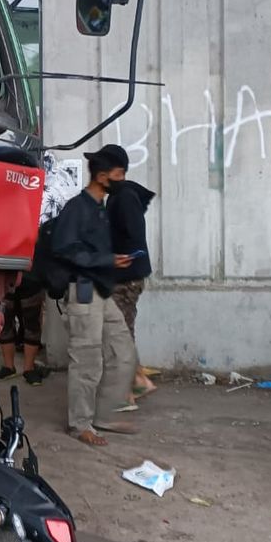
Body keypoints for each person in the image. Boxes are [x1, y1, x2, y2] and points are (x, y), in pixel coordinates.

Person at [50, 144, 138, 446]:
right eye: (119, 174)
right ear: (102, 176)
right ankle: (81, 424)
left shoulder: (101, 208)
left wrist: (116, 259)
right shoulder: (78, 208)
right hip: (84, 292)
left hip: (102, 291)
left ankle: (103, 415)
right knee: (87, 361)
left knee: (123, 352)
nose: (122, 180)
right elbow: (63, 248)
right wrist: (106, 260)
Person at [107, 164, 158, 405]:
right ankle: (137, 381)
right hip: (128, 275)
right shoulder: (122, 196)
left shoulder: (123, 197)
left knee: (119, 333)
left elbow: (131, 234)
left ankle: (127, 393)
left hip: (126, 277)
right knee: (123, 331)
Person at [0, 274, 49, 386]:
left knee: (32, 322)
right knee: (4, 321)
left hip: (32, 275)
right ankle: (9, 367)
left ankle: (29, 369)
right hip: (4, 274)